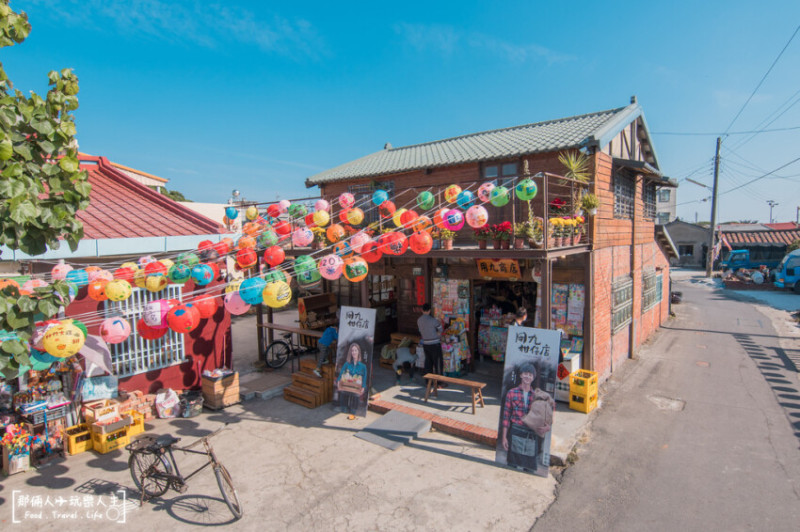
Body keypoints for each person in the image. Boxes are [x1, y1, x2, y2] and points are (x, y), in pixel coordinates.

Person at [500, 362, 555, 472]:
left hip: (531, 434)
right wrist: (504, 437)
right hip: (515, 431)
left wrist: (547, 427)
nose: (527, 377)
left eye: (530, 375)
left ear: (533, 378)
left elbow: (548, 414)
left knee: (529, 469)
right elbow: (506, 417)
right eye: (525, 373)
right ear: (521, 375)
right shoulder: (511, 393)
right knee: (511, 467)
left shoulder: (537, 396)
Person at [336, 342, 367, 414]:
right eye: (352, 350)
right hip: (346, 387)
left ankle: (353, 410)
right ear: (350, 352)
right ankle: (344, 409)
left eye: (355, 350)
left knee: (354, 403)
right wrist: (338, 381)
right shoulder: (347, 364)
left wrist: (363, 387)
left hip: (356, 389)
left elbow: (364, 377)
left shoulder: (363, 366)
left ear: (358, 352)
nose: (354, 352)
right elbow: (341, 374)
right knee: (343, 397)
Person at [417, 303, 444, 385]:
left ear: (422, 310)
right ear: (429, 310)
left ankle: (428, 382)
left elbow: (420, 331)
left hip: (425, 343)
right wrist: (437, 333)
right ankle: (439, 382)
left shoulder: (419, 320)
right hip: (435, 344)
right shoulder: (433, 320)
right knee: (437, 363)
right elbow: (441, 329)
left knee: (428, 363)